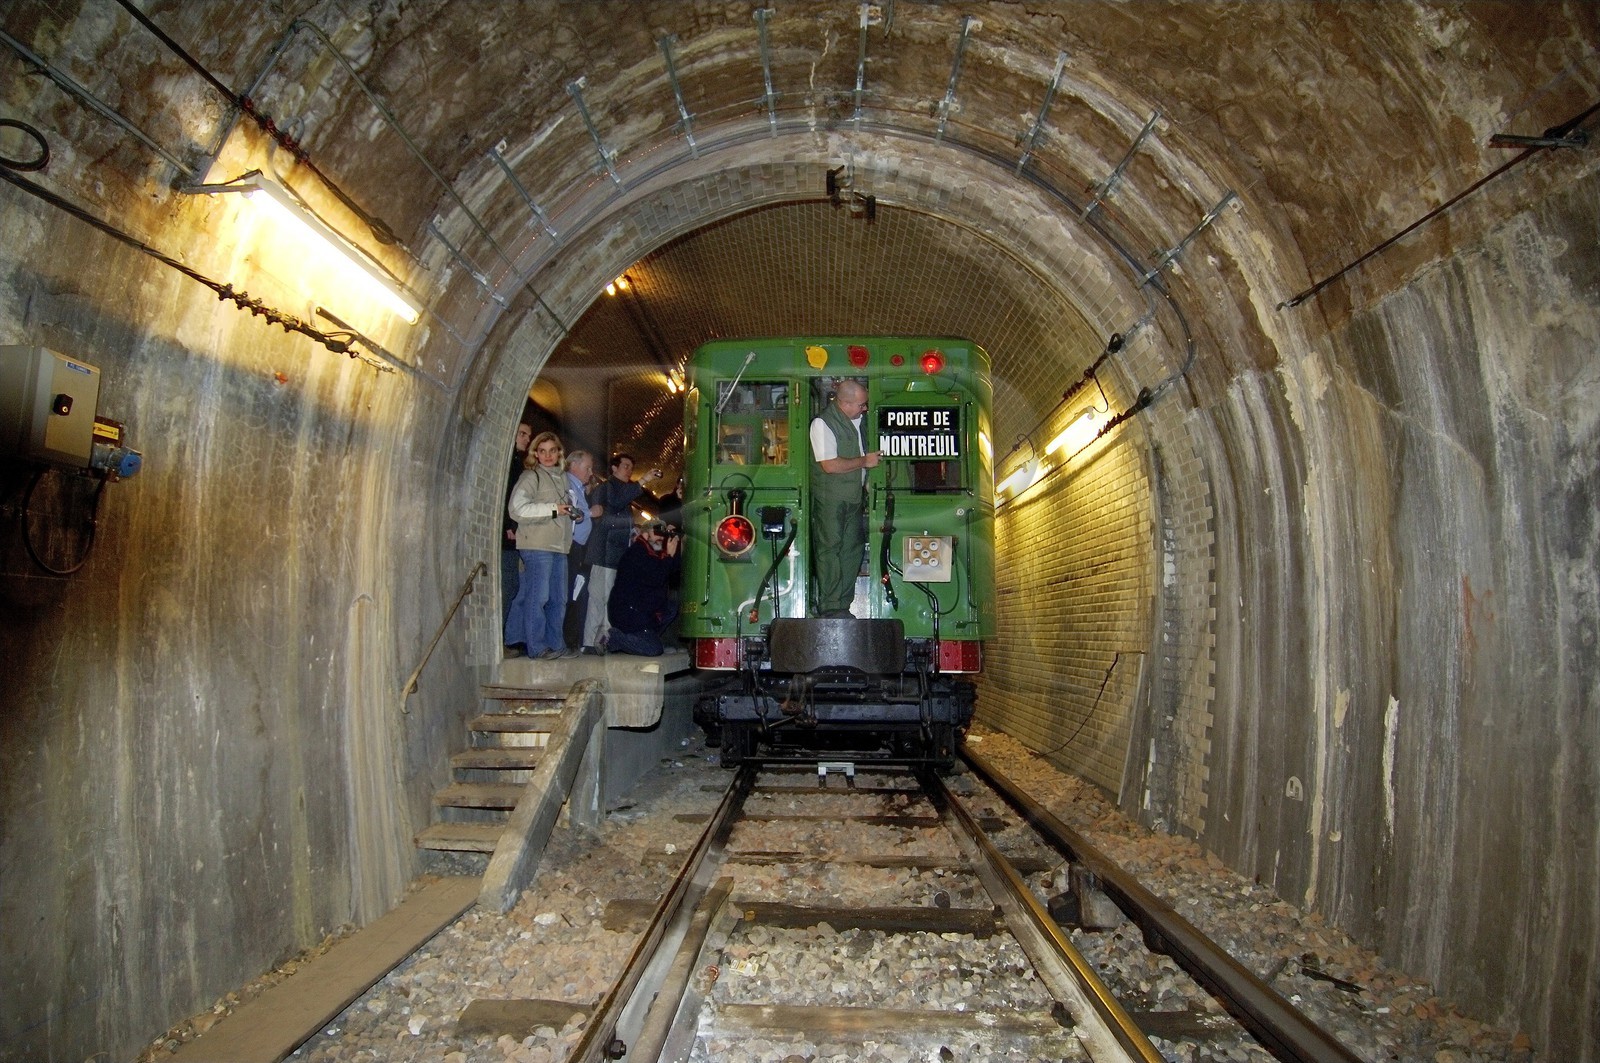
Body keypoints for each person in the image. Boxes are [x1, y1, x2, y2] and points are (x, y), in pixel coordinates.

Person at [505, 431, 580, 660]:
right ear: (535, 454)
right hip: (537, 546)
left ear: (559, 453)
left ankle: (556, 645)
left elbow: (561, 508)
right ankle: (537, 648)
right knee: (539, 598)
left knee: (559, 598)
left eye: (552, 450)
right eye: (542, 451)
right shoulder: (530, 477)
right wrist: (554, 509)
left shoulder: (562, 478)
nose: (547, 455)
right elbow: (516, 509)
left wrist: (572, 515)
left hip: (559, 546)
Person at [809, 378, 879, 619]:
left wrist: (868, 478)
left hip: (853, 498)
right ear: (845, 403)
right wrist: (864, 462)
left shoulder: (860, 421)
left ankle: (843, 605)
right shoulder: (822, 424)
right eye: (861, 405)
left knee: (853, 549)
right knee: (829, 548)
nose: (865, 408)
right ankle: (830, 606)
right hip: (830, 498)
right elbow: (829, 465)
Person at [582, 453, 661, 653]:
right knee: (599, 599)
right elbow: (615, 503)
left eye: (630, 467)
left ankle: (606, 640)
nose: (629, 471)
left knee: (610, 599)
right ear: (614, 468)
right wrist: (643, 481)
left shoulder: (620, 492)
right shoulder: (607, 489)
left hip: (615, 555)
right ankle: (591, 642)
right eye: (625, 466)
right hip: (604, 554)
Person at [606, 520, 681, 656]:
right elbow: (657, 578)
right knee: (654, 650)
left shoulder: (655, 552)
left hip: (644, 610)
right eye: (657, 534)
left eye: (663, 534)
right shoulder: (637, 552)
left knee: (671, 607)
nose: (661, 538)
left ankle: (644, 639)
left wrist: (675, 546)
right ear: (646, 535)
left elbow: (673, 570)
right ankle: (613, 638)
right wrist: (669, 556)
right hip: (629, 613)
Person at [501, 422, 532, 643]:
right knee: (508, 584)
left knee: (512, 586)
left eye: (528, 436)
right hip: (507, 536)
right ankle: (502, 640)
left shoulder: (515, 463)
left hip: (511, 534)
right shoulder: (508, 464)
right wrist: (510, 526)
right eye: (522, 434)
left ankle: (504, 639)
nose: (526, 439)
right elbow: (506, 498)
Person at [562, 449, 596, 650]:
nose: (590, 472)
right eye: (588, 467)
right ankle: (563, 639)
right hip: (570, 546)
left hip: (578, 548)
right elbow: (571, 511)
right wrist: (591, 512)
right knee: (566, 593)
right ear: (574, 465)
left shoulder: (580, 488)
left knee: (574, 593)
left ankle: (570, 637)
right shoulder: (567, 485)